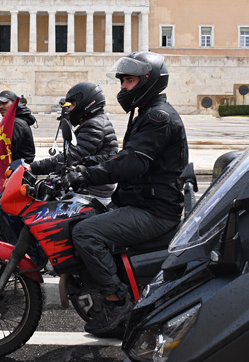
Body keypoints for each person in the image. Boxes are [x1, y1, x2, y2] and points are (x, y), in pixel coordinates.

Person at [63, 52, 188, 335]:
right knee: (82, 215)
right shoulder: (145, 113)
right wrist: (84, 167)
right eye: (122, 81)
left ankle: (116, 299)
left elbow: (133, 163)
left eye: (129, 81)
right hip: (140, 202)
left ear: (149, 81)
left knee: (86, 233)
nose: (123, 88)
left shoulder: (158, 117)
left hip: (154, 210)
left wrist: (86, 174)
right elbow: (124, 157)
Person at [26, 82, 118, 203]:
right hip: (88, 185)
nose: (69, 109)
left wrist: (33, 167)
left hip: (92, 191)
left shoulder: (94, 125)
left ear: (87, 103)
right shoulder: (97, 121)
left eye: (73, 104)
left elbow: (71, 157)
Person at [0, 90, 36, 164]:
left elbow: (4, 150)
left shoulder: (16, 123)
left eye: (4, 103)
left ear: (15, 103)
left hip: (18, 168)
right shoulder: (12, 120)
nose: (1, 107)